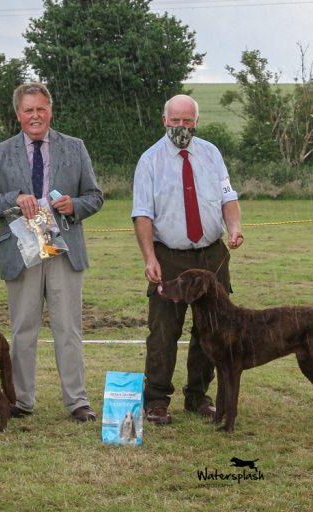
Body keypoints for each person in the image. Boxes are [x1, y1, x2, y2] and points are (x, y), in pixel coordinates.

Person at [0, 82, 104, 422]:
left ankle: (77, 401)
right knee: (23, 330)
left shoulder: (75, 147)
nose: (35, 116)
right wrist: (13, 200)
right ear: (18, 114)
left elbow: (95, 196)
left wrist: (74, 205)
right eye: (29, 110)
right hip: (21, 252)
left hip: (64, 249)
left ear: (51, 111)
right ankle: (20, 400)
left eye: (41, 109)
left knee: (69, 329)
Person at [131, 94, 245, 425]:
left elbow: (228, 198)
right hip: (169, 256)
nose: (181, 126)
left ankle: (198, 396)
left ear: (196, 121)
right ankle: (156, 400)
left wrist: (234, 228)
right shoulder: (149, 161)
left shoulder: (212, 154)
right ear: (164, 121)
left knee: (212, 329)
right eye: (175, 120)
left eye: (187, 120)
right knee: (163, 330)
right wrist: (149, 257)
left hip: (212, 255)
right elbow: (142, 213)